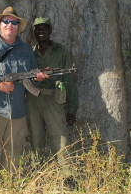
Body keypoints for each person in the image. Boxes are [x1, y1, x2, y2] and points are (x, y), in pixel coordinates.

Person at [0, 7, 47, 187]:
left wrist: (38, 78)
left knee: (14, 153)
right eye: (6, 22)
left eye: (14, 22)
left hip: (18, 111)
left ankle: (8, 187)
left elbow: (33, 82)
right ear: (0, 25)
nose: (10, 25)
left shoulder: (26, 51)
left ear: (19, 27)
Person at [26, 17, 79, 163]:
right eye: (38, 28)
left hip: (54, 99)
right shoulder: (28, 53)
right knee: (35, 140)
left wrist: (72, 109)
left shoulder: (61, 51)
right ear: (34, 32)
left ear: (50, 31)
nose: (41, 30)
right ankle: (39, 174)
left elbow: (69, 80)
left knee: (61, 138)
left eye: (44, 28)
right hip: (32, 100)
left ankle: (68, 175)